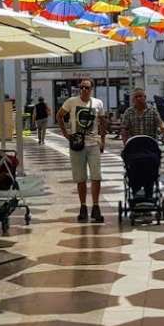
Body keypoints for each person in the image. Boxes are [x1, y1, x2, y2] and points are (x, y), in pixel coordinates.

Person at [57, 79, 107, 223]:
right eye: (82, 87)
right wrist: (66, 134)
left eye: (87, 87)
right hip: (77, 144)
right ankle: (83, 207)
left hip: (93, 144)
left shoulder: (98, 103)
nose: (84, 90)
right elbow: (59, 115)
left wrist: (102, 139)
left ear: (92, 89)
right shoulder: (71, 101)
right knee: (80, 178)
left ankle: (96, 206)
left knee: (96, 176)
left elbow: (103, 121)